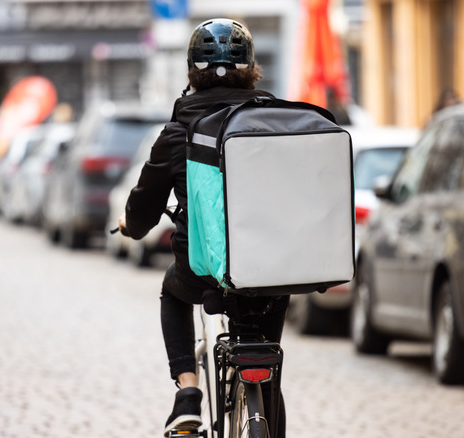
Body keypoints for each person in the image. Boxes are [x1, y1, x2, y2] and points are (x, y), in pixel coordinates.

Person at [118, 18, 290, 437]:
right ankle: (267, 399)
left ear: (192, 71)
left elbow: (141, 213)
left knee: (171, 291)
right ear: (251, 69)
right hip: (271, 267)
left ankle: (188, 393)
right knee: (270, 352)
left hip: (202, 271)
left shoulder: (178, 131)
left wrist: (130, 224)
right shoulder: (277, 123)